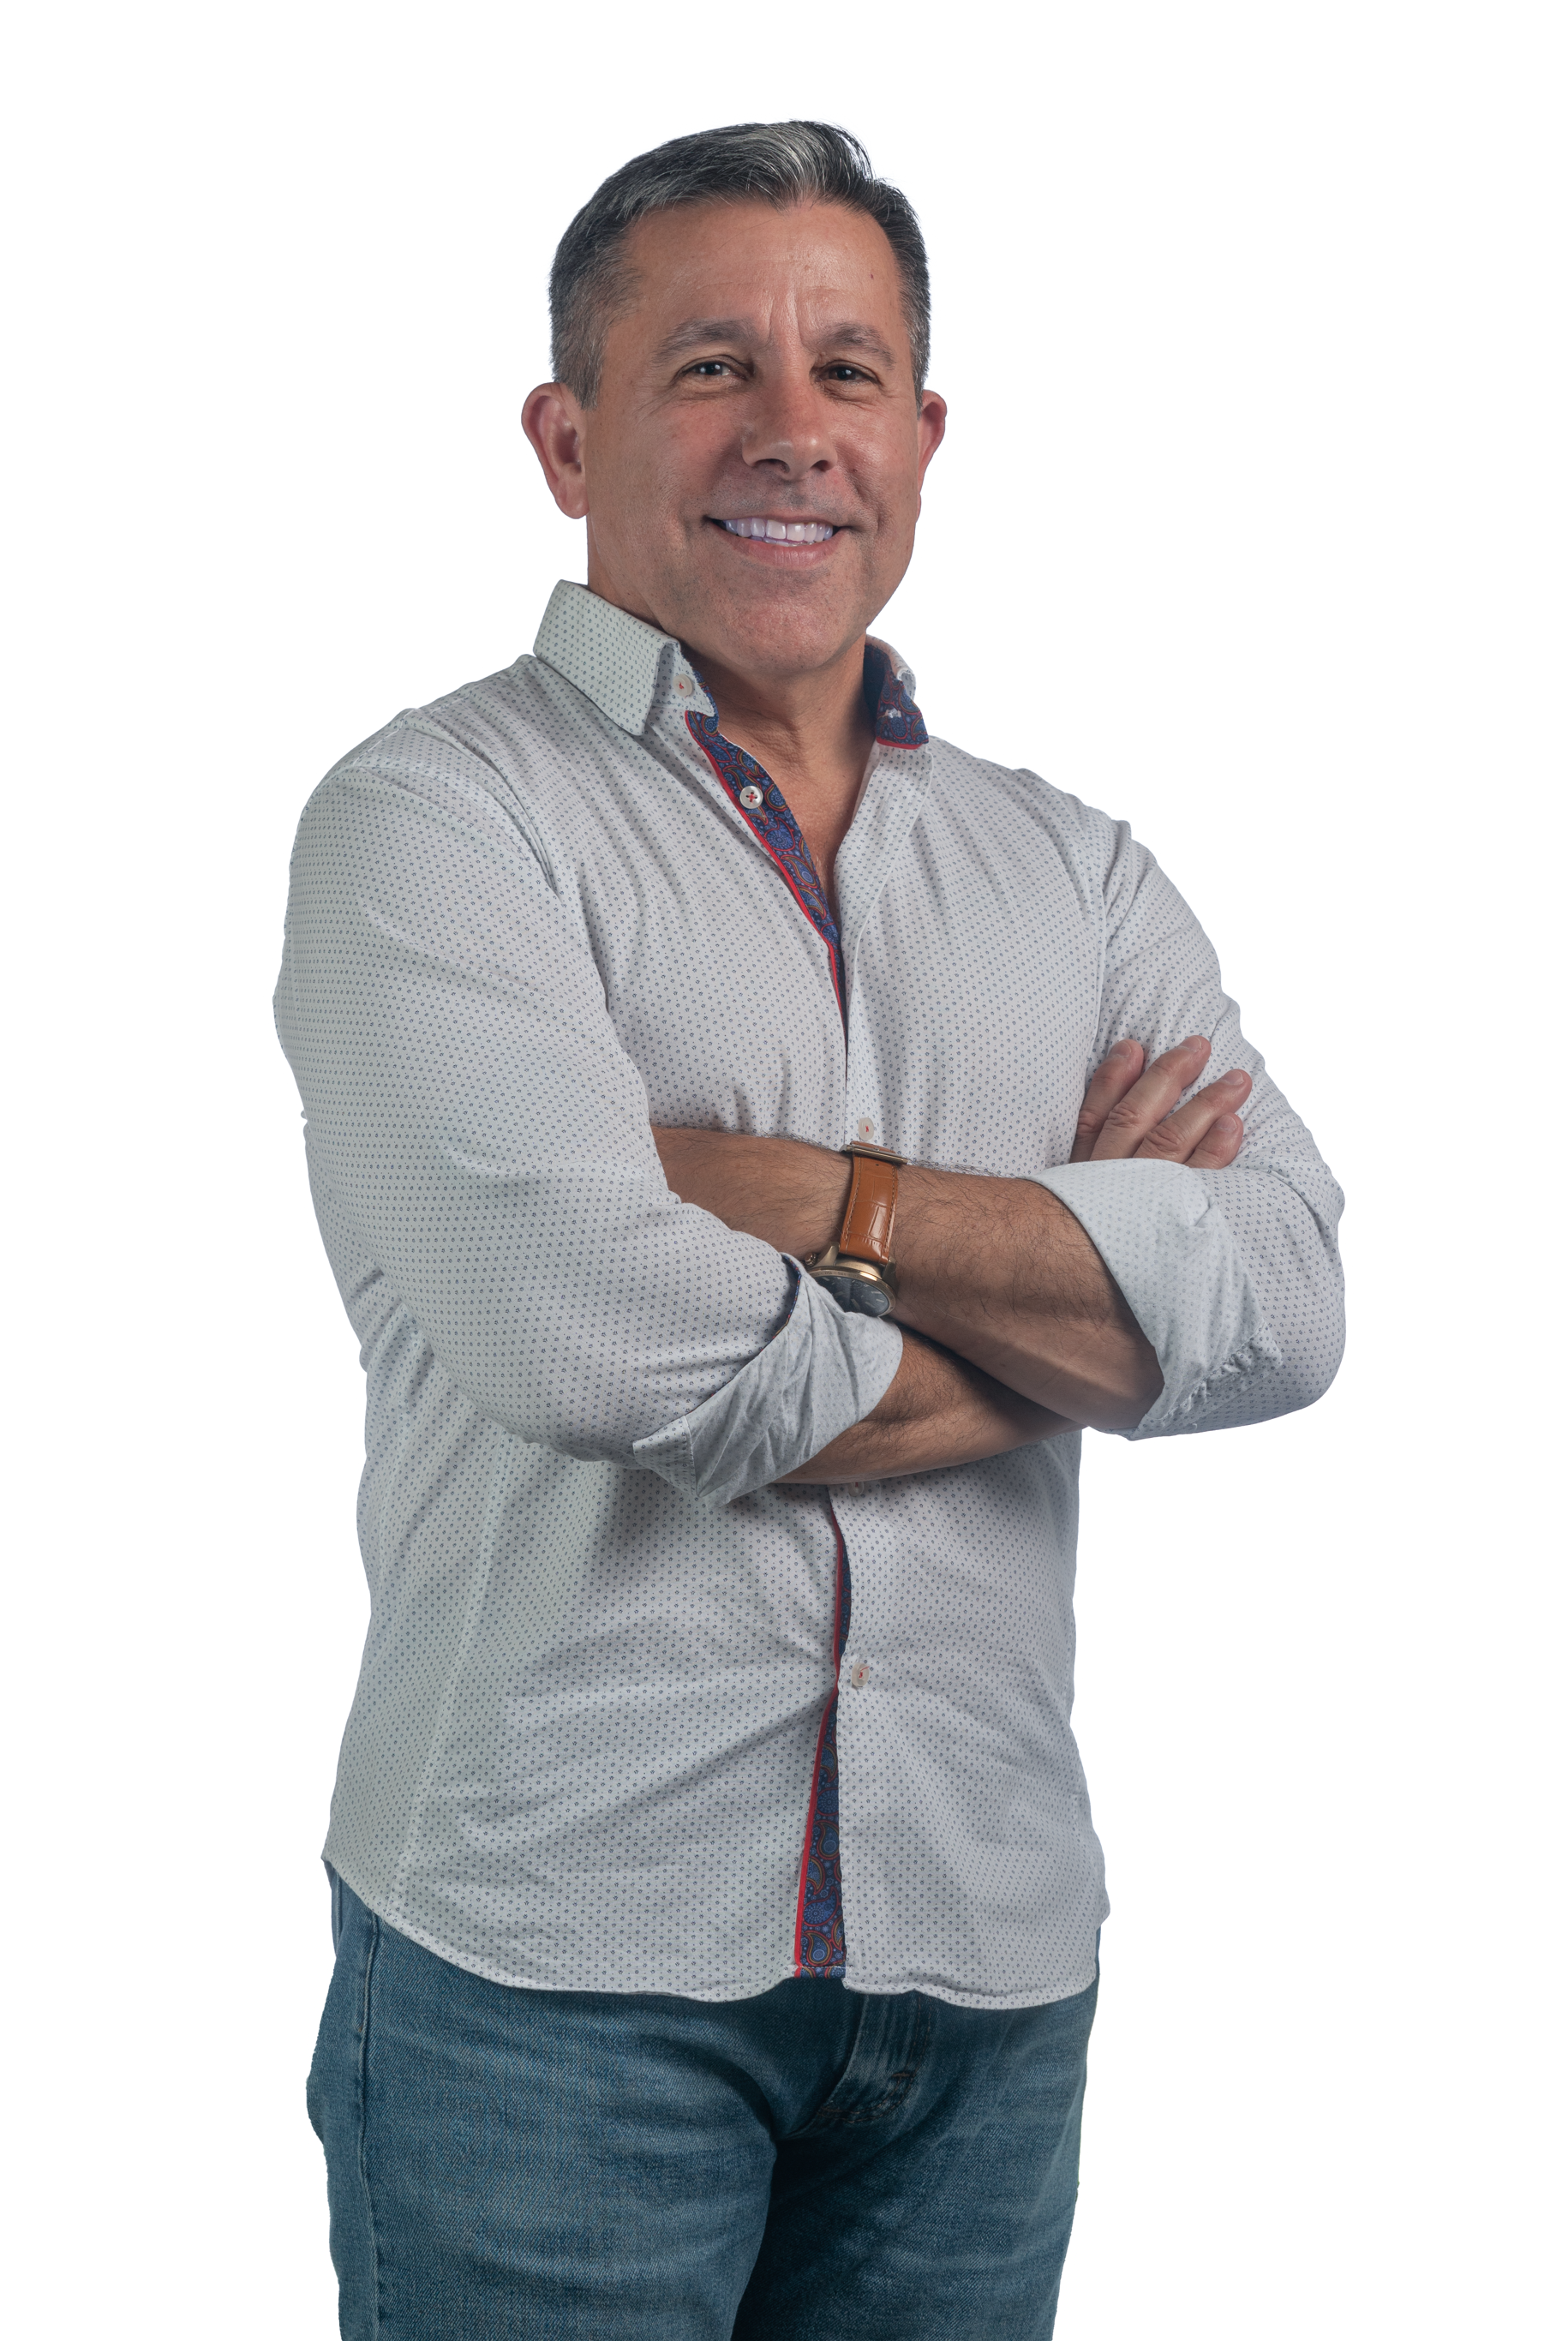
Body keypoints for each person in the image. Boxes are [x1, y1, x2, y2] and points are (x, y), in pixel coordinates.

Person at [276, 119, 1344, 2340]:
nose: (792, 429)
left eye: (847, 369)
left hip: (984, 1966)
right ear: (566, 439)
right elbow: (605, 1345)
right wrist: (1086, 1297)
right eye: (709, 369)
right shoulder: (436, 824)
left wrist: (794, 1197)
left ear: (923, 438)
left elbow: (1282, 1302)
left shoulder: (1071, 871)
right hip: (554, 1976)